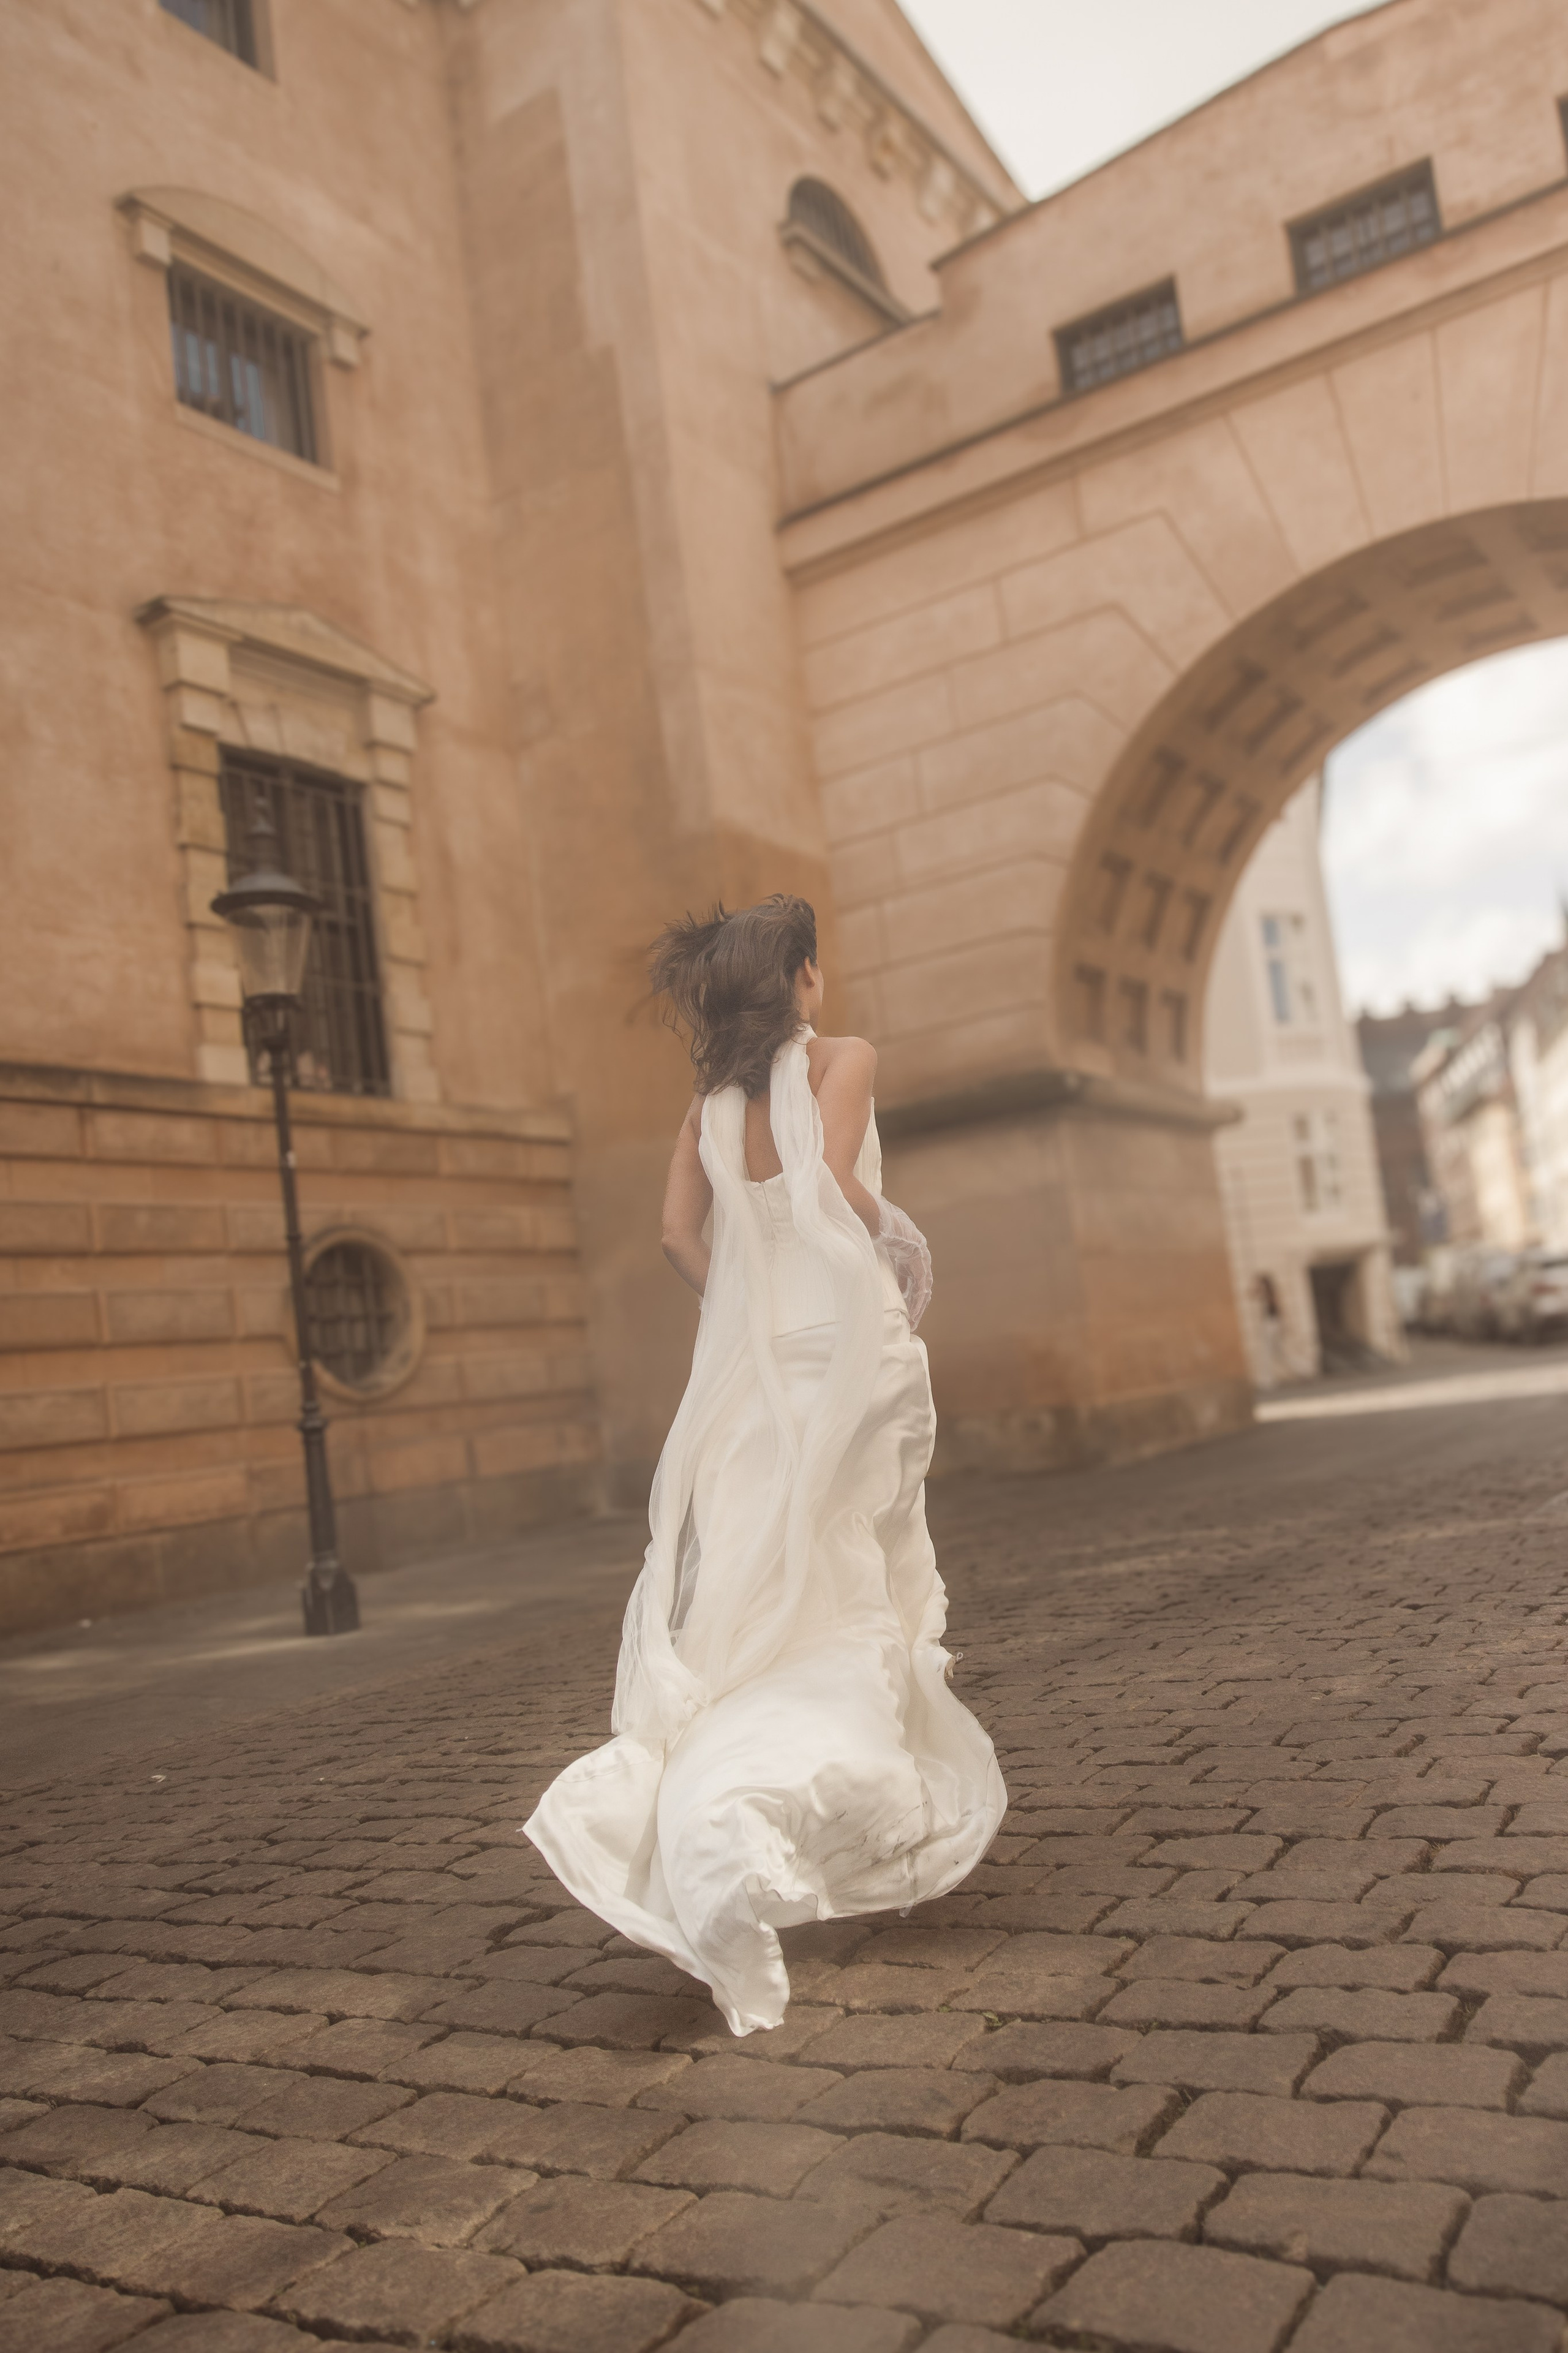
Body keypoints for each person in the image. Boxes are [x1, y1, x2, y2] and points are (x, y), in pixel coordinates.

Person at [525, 895, 1006, 2035]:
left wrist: (743, 1315)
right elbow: (828, 1183)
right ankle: (798, 1800)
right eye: (814, 966)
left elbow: (677, 1238)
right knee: (843, 1574)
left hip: (755, 1377)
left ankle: (715, 1813)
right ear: (797, 975)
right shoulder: (844, 1056)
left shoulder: (705, 1106)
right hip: (841, 1352)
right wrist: (906, 1255)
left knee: (747, 1592)